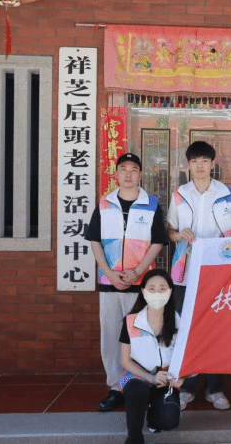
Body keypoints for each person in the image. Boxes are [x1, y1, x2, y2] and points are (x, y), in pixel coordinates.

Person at [85, 152, 168, 412]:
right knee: (111, 336)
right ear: (116, 174)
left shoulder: (151, 204)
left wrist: (138, 272)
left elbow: (158, 241)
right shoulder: (105, 204)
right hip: (109, 283)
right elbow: (94, 241)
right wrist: (110, 274)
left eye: (133, 169)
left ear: (140, 174)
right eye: (123, 169)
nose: (128, 174)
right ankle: (115, 387)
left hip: (141, 285)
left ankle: (139, 384)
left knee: (140, 336)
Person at [167, 141, 231, 411]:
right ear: (188, 165)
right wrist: (179, 235)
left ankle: (214, 388)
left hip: (217, 272)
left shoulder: (227, 195)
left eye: (204, 161)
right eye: (194, 161)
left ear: (212, 164)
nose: (199, 166)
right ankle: (186, 388)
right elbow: (170, 231)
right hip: (184, 272)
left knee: (215, 328)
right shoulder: (179, 194)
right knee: (185, 328)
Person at [119, 269, 182, 444]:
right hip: (138, 375)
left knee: (168, 421)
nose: (157, 293)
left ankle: (153, 415)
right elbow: (125, 360)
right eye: (152, 288)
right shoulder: (131, 321)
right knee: (137, 391)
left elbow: (186, 357)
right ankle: (134, 437)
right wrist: (150, 378)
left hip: (166, 378)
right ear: (143, 291)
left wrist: (178, 377)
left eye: (162, 288)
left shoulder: (179, 321)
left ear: (170, 291)